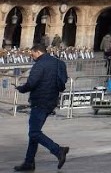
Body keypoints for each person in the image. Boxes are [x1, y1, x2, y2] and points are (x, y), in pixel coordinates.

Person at [14, 42, 70, 171]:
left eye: (32, 54)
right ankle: (29, 162)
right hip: (51, 101)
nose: (32, 57)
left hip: (40, 101)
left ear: (38, 52)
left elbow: (31, 83)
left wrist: (21, 89)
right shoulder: (58, 63)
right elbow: (64, 80)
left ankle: (58, 150)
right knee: (34, 132)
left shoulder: (39, 64)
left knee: (34, 132)